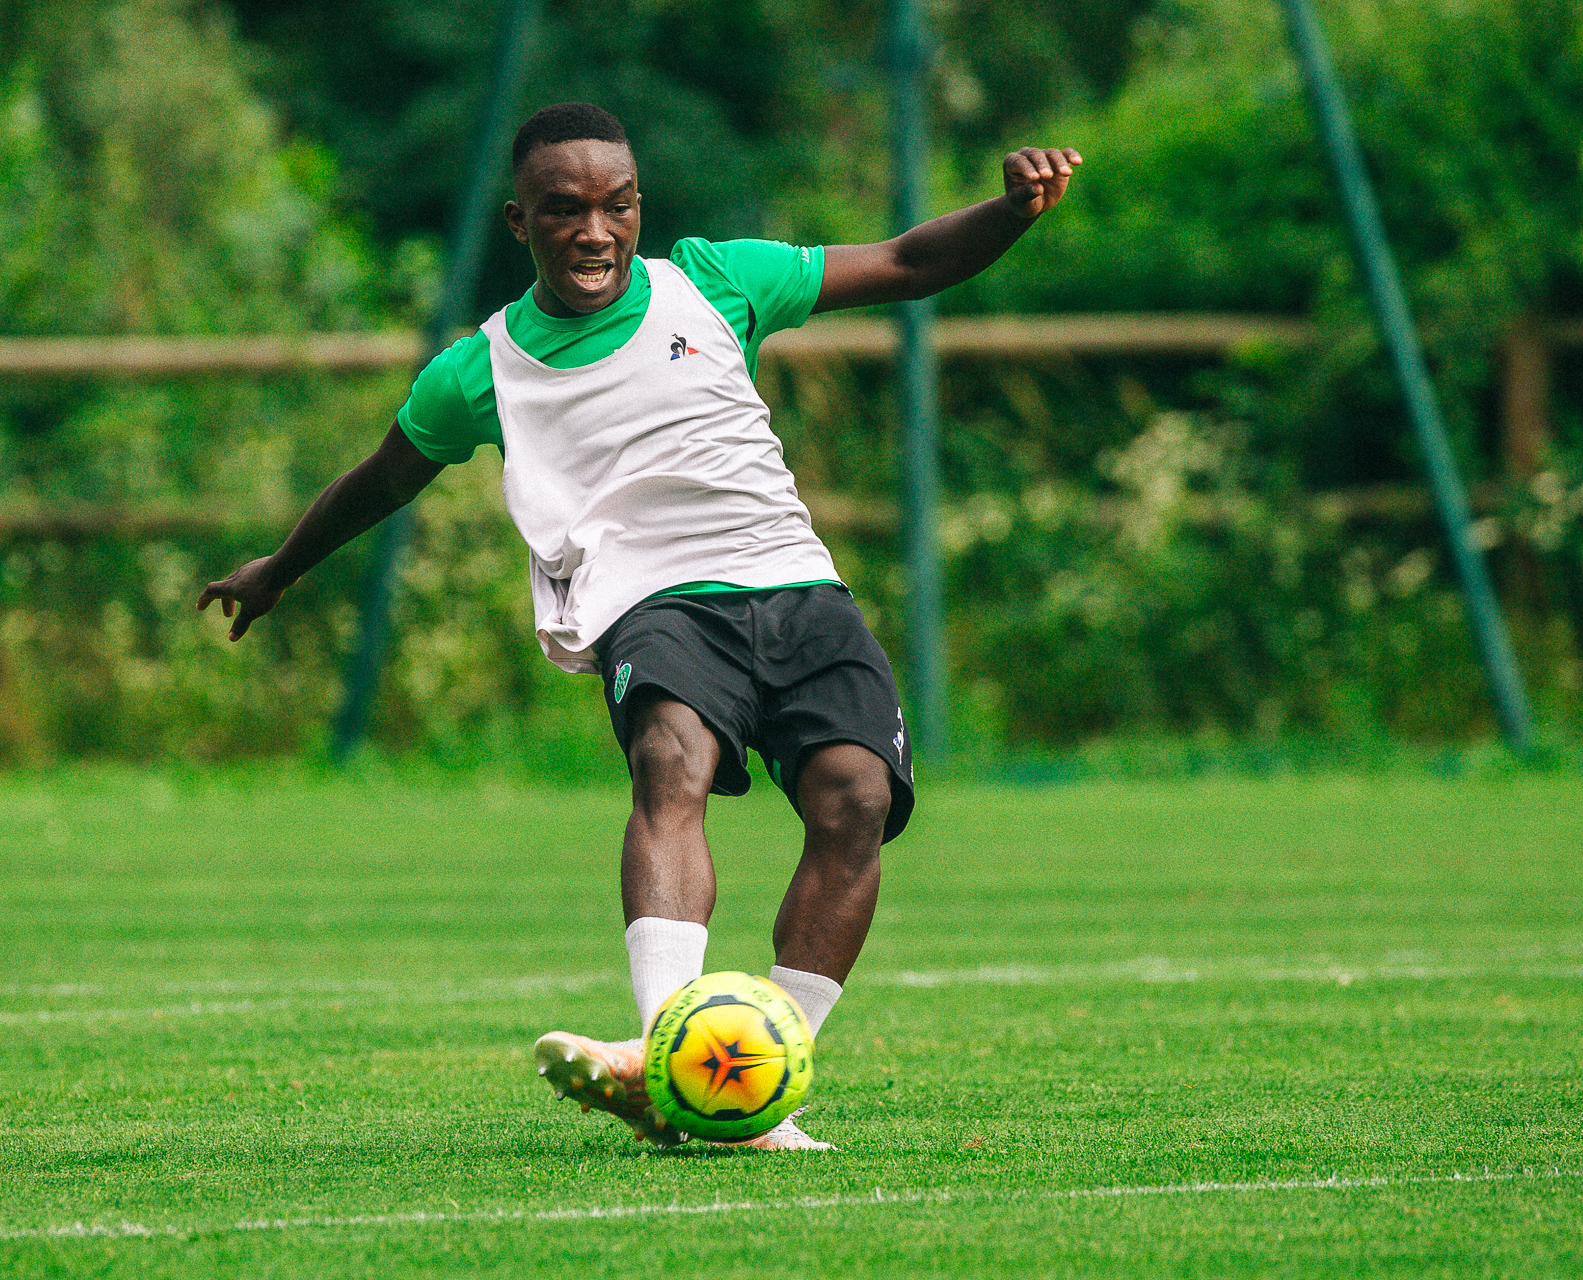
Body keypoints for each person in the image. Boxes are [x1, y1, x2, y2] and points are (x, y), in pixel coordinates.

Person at [198, 102, 1080, 1152]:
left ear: (638, 209)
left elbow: (904, 262)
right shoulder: (480, 370)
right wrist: (280, 568)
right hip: (645, 597)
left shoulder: (712, 281)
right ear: (518, 222)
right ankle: (673, 1045)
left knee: (857, 797)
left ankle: (743, 1080)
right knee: (673, 757)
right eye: (564, 210)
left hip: (793, 580)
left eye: (615, 206)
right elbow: (381, 479)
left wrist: (1014, 210)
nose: (594, 230)